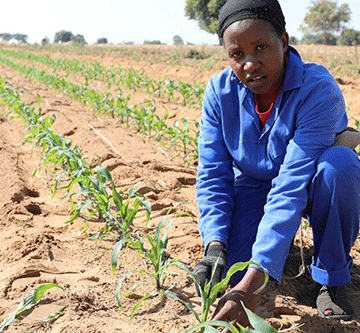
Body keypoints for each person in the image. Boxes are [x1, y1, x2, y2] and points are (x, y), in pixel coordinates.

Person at [193, 0, 360, 330]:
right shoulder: (219, 92)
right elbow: (213, 174)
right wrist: (214, 245)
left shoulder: (316, 88)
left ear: (283, 42)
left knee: (339, 166)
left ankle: (331, 276)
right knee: (235, 271)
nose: (250, 64)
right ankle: (268, 256)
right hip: (255, 185)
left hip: (312, 181)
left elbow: (292, 184)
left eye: (261, 48)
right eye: (237, 54)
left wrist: (251, 288)